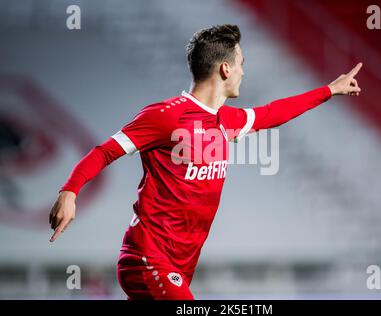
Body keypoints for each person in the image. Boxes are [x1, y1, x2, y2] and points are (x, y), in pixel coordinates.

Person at [48, 24, 362, 300]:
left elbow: (272, 114)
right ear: (226, 69)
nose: (243, 71)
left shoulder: (227, 120)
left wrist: (329, 91)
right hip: (147, 258)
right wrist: (69, 191)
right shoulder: (165, 116)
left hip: (181, 265)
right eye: (241, 63)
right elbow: (104, 151)